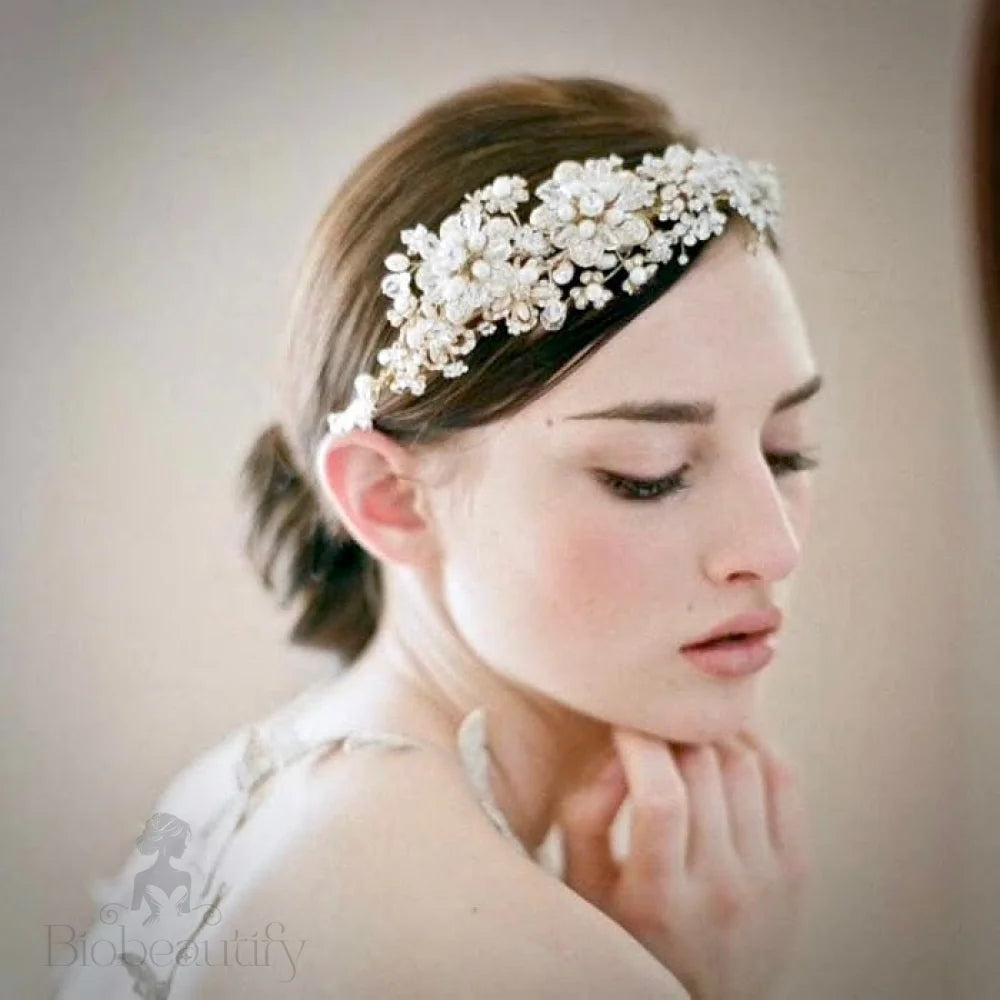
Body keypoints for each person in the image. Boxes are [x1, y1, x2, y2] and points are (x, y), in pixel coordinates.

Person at [52, 74, 819, 1000]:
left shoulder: (249, 786)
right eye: (648, 473)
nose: (773, 550)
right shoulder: (484, 957)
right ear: (389, 497)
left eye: (784, 452)